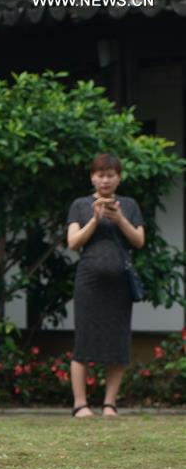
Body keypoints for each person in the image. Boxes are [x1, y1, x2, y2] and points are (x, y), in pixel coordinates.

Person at [66, 153, 144, 418]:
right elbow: (73, 242)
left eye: (110, 174)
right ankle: (81, 404)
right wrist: (95, 219)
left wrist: (119, 218)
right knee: (84, 340)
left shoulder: (130, 205)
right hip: (89, 282)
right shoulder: (80, 205)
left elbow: (139, 241)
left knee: (118, 341)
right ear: (92, 177)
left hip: (119, 285)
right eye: (100, 174)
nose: (105, 179)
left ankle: (110, 404)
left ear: (118, 178)